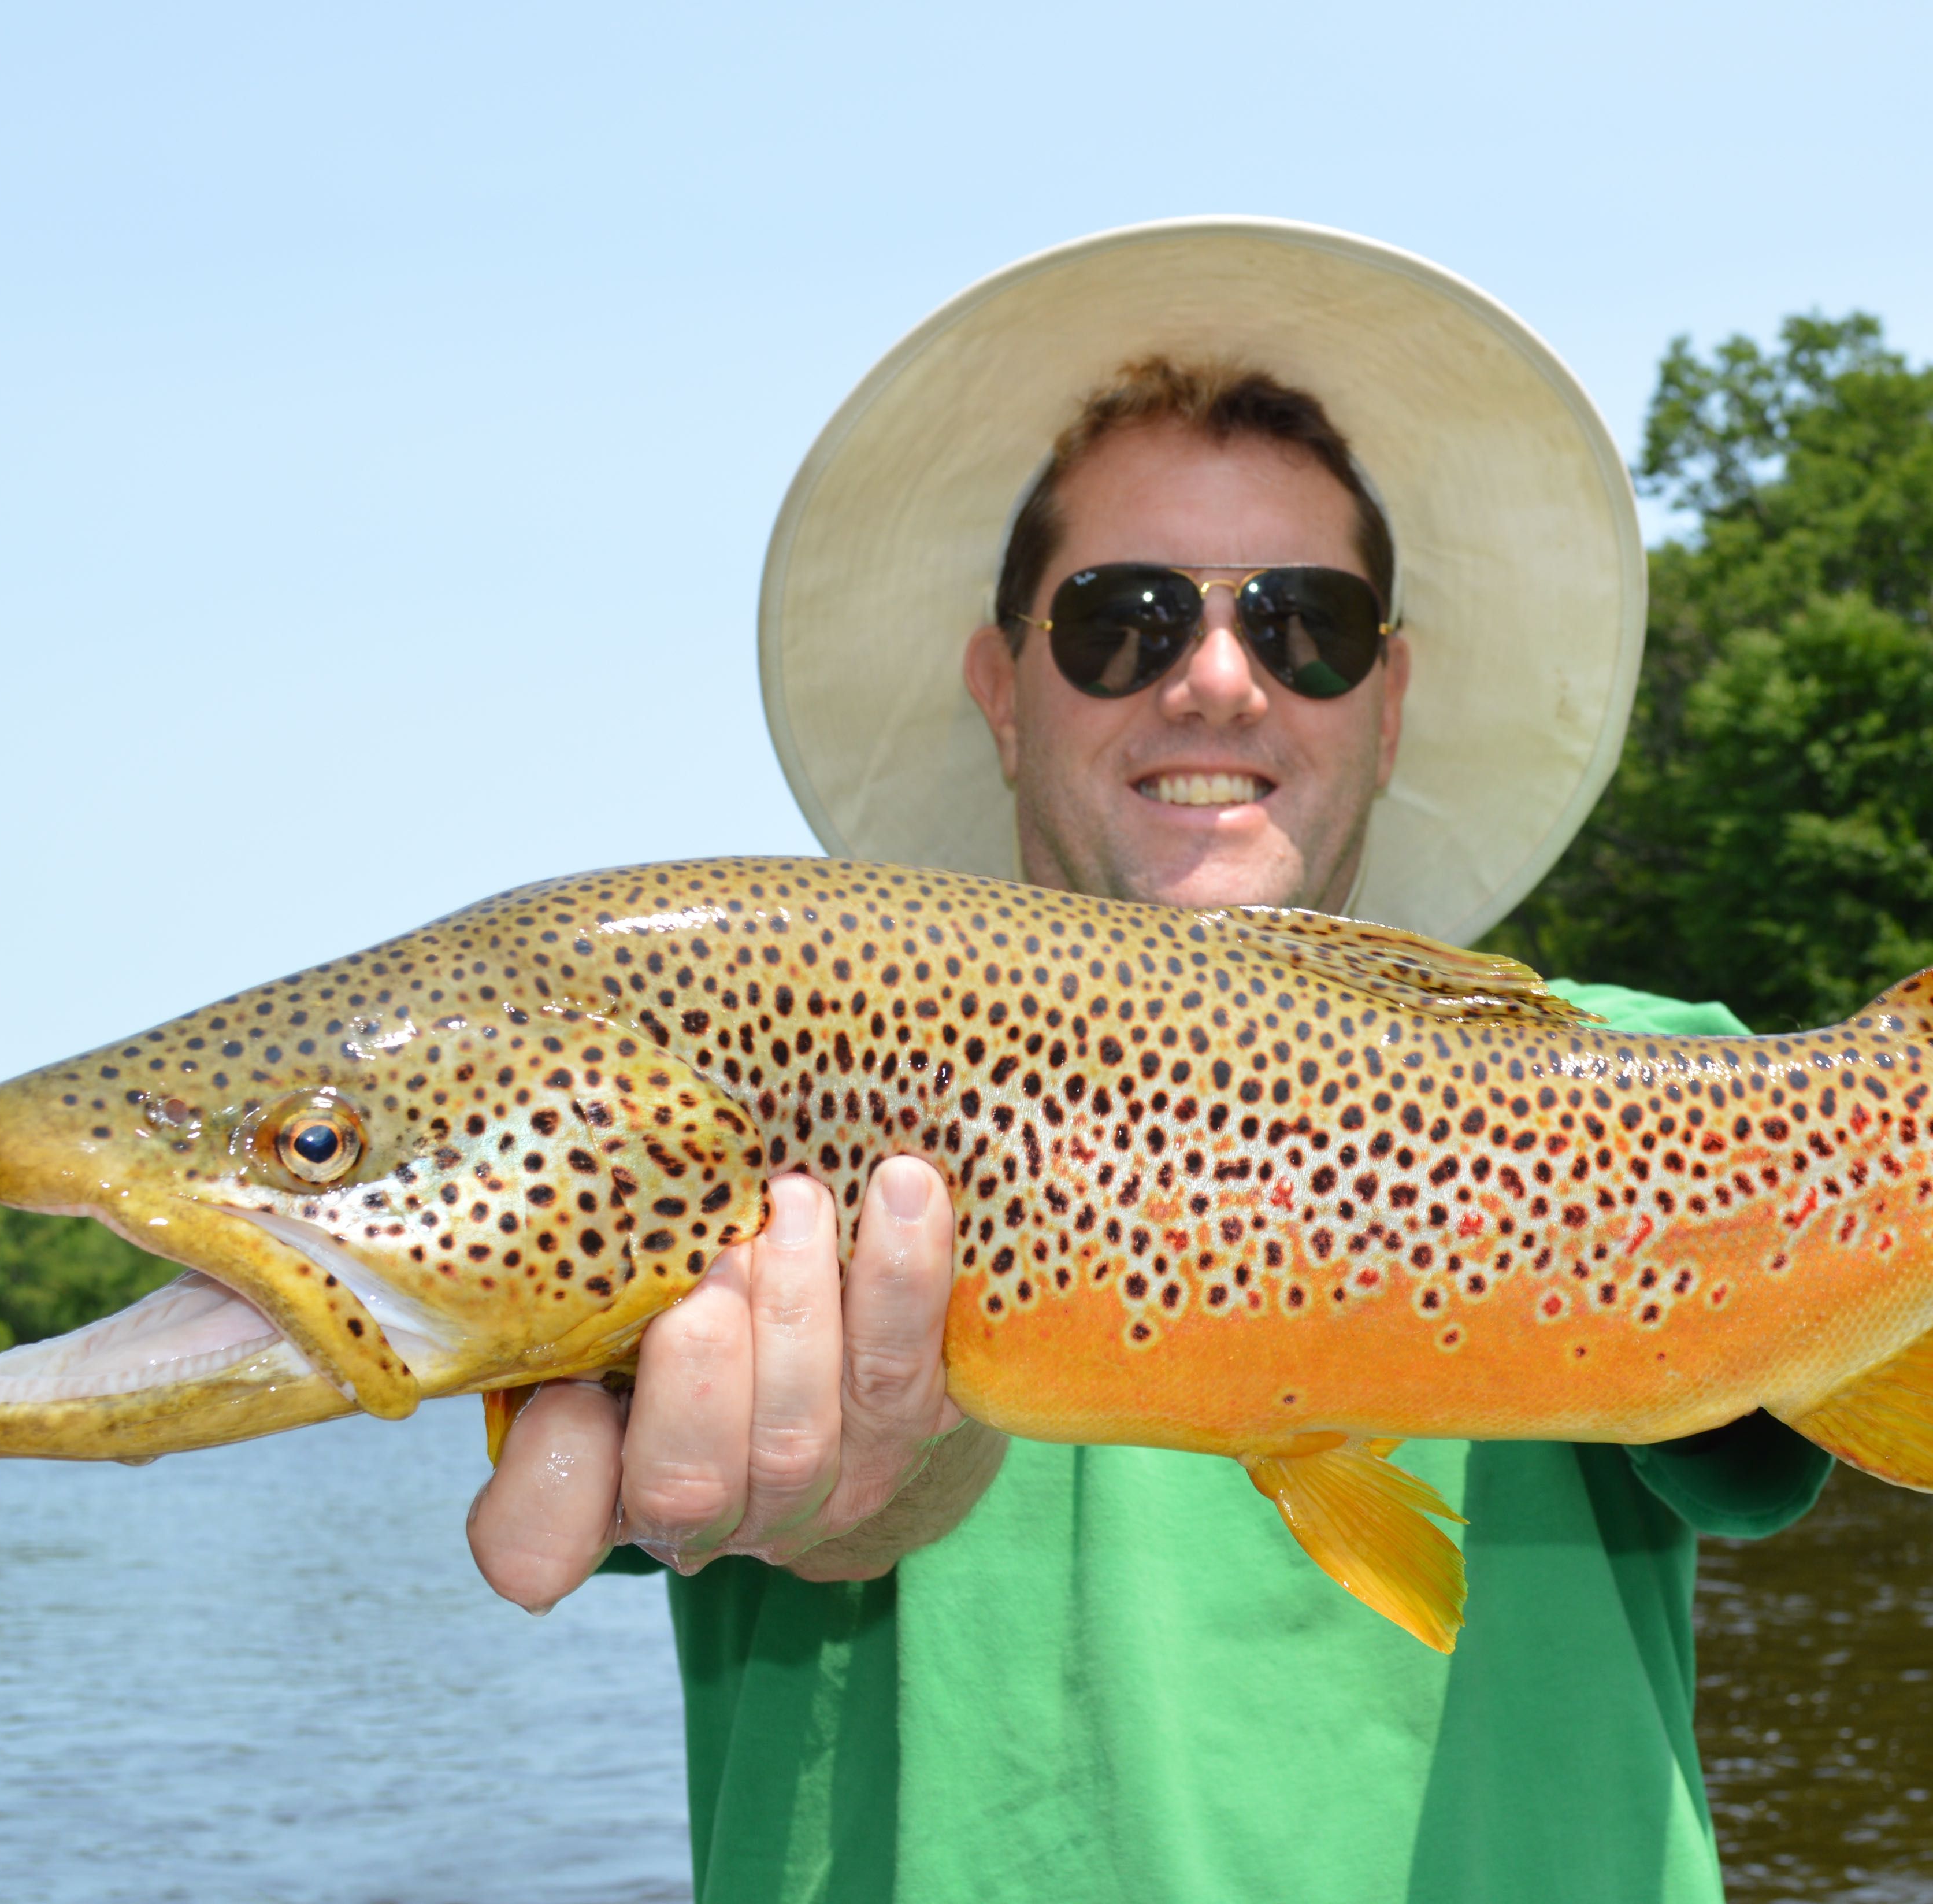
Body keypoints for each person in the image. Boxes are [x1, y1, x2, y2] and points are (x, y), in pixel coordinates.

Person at [468, 221, 1833, 1902]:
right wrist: (854, 1477)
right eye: (1122, 620)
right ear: (1001, 684)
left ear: (1386, 699)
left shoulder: (1664, 1081)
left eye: (1304, 625)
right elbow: (582, 1488)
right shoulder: (748, 1091)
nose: (1214, 678)